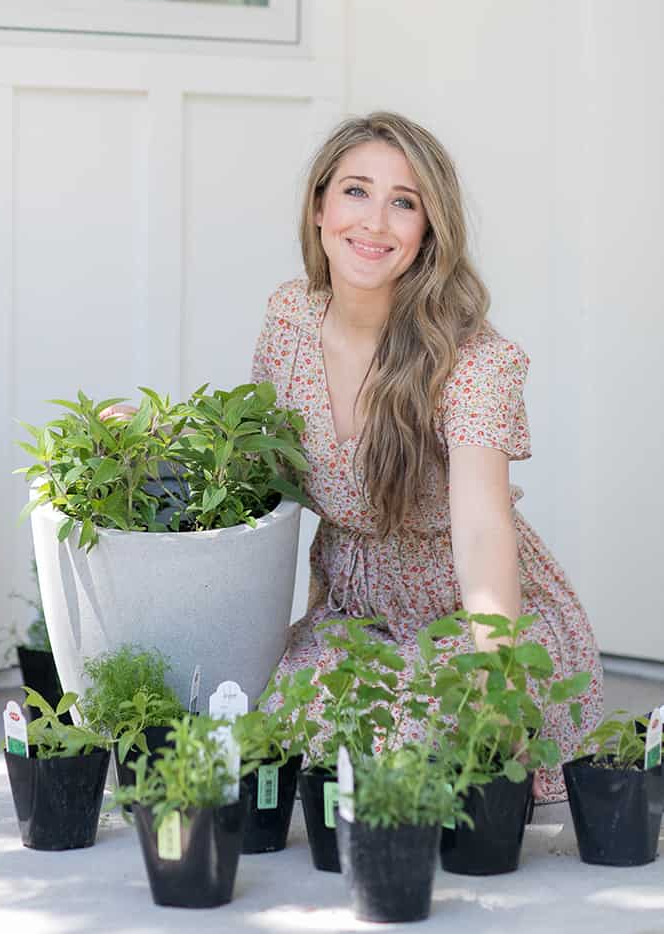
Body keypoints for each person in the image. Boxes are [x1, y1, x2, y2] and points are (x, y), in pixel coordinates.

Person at [252, 111, 602, 804]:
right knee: (276, 722)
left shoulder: (473, 360)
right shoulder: (289, 319)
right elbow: (255, 461)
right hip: (355, 619)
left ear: (428, 231)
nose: (375, 221)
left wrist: (493, 674)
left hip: (472, 618)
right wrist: (154, 433)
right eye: (356, 191)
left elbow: (481, 527)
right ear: (320, 206)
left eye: (403, 203)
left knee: (409, 741)